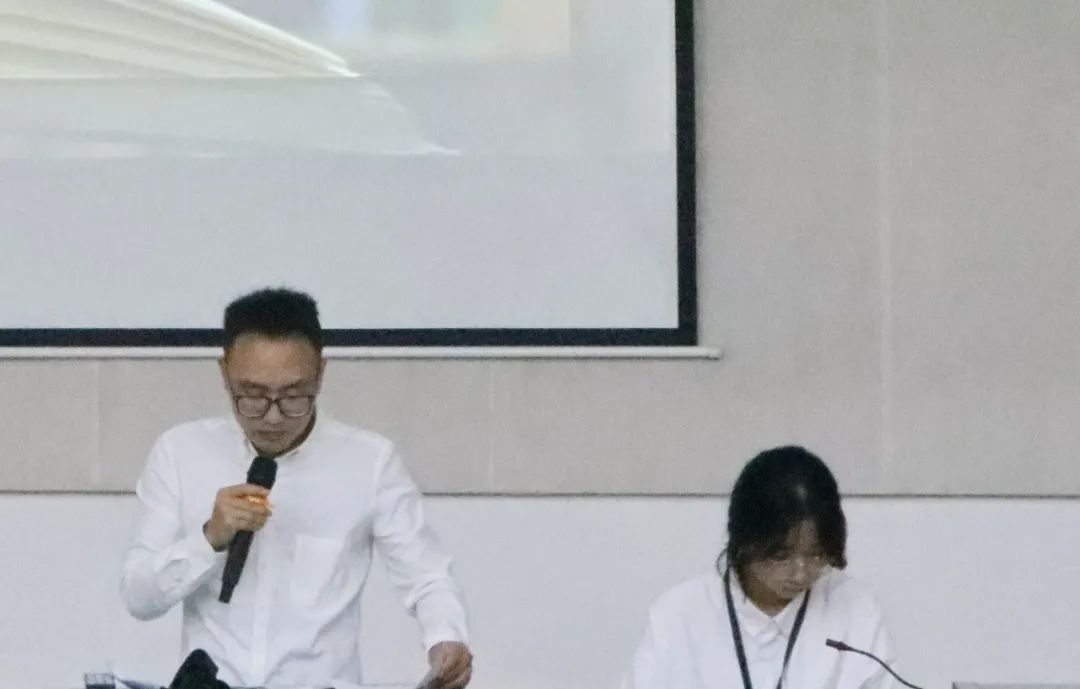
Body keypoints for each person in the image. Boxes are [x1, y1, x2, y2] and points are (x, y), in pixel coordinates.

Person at [120, 287, 472, 688]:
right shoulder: (181, 453)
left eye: (293, 396)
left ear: (320, 373)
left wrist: (446, 638)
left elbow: (427, 575)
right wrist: (208, 539)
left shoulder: (370, 461)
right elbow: (138, 596)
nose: (273, 417)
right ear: (224, 373)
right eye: (252, 395)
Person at [622, 446, 899, 689]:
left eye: (816, 556)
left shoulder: (855, 607)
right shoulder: (678, 616)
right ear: (745, 540)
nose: (800, 573)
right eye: (781, 556)